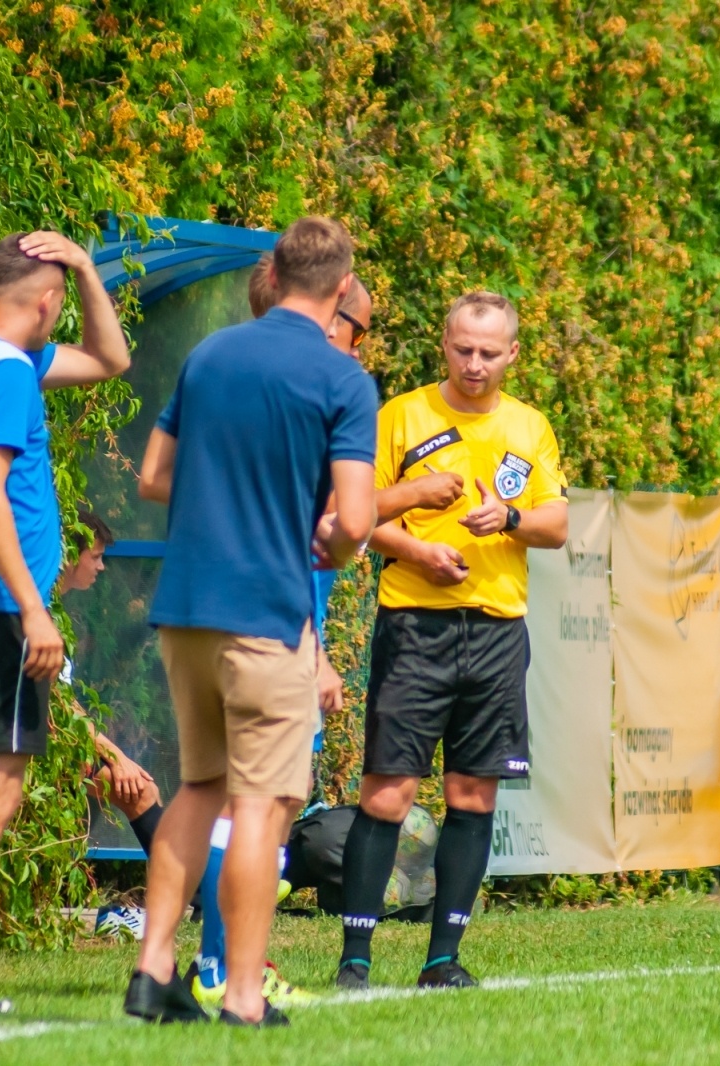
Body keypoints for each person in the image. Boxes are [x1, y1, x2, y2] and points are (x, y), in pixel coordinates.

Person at [124, 216, 378, 1028]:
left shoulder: (210, 354)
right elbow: (355, 522)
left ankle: (152, 970)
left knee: (200, 790)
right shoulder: (342, 380)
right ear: (341, 287)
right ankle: (241, 995)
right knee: (262, 807)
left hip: (185, 609)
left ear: (275, 274)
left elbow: (153, 476)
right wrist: (330, 538)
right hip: (265, 615)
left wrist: (228, 493)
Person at [0, 230, 129, 1019]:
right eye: (62, 299)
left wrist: (83, 270)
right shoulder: (7, 372)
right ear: (46, 304)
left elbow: (108, 360)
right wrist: (34, 608)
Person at [335, 290, 568, 992]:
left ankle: (442, 959)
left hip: (497, 632)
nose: (474, 363)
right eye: (463, 348)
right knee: (388, 794)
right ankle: (355, 960)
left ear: (512, 354)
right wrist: (418, 551)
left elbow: (557, 525)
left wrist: (511, 518)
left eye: (489, 352)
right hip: (414, 626)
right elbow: (356, 516)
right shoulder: (401, 416)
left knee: (473, 795)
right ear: (444, 343)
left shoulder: (530, 426)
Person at [54, 510, 164, 940]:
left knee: (141, 786)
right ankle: (177, 904)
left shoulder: (55, 611)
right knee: (141, 790)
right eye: (96, 556)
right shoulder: (38, 610)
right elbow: (57, 707)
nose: (101, 566)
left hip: (60, 746)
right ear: (70, 556)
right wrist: (116, 758)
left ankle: (171, 904)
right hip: (39, 752)